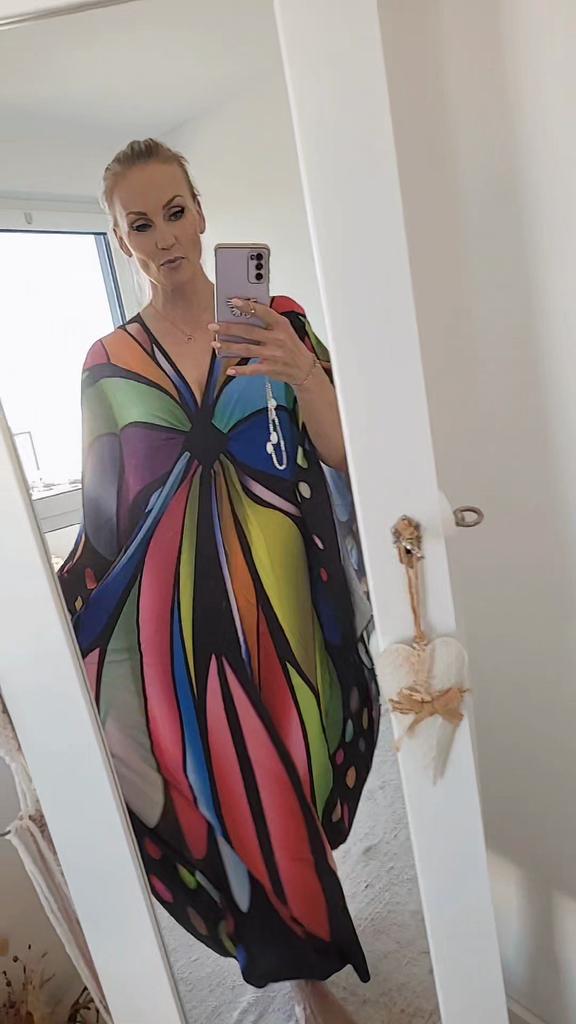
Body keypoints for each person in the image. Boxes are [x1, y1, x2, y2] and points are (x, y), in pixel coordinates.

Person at [59, 139, 380, 1020]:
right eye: (140, 224)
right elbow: (105, 516)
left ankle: (311, 915)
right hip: (186, 609)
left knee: (303, 761)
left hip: (289, 589)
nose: (165, 237)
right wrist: (58, 629)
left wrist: (301, 370)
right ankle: (305, 975)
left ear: (200, 212)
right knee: (230, 785)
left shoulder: (277, 319)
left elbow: (343, 452)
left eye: (175, 212)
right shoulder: (108, 364)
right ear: (120, 240)